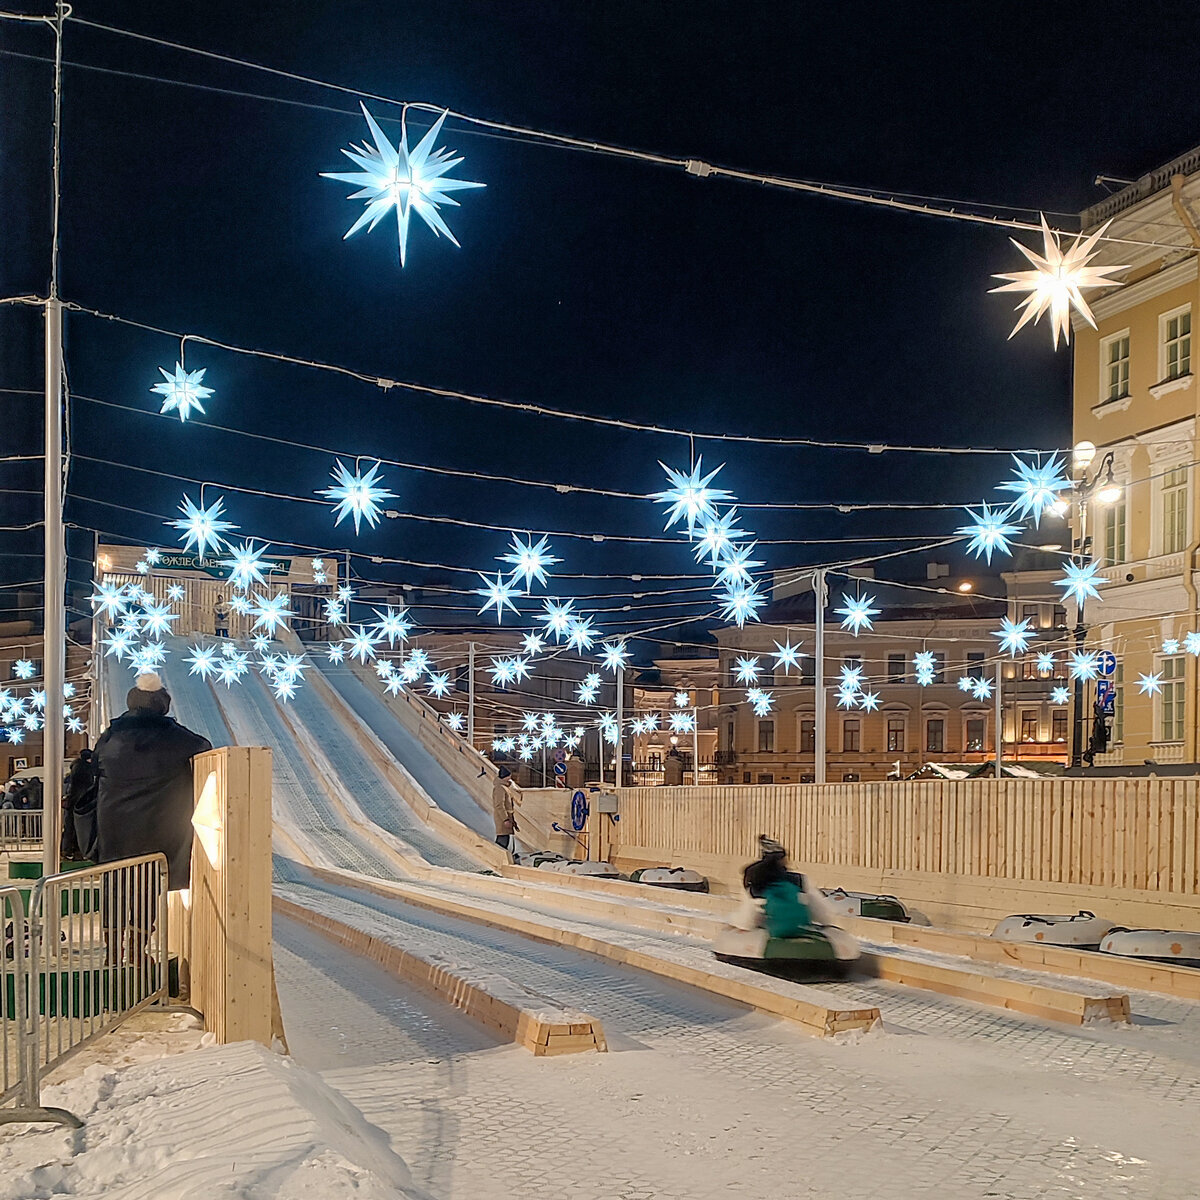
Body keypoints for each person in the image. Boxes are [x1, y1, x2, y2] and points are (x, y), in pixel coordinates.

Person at [62, 748, 95, 860]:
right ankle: (75, 851)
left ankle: (67, 850)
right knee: (77, 828)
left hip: (73, 801)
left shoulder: (76, 768)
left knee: (70, 827)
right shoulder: (85, 769)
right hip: (81, 802)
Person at [492, 766, 520, 856]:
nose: (510, 778)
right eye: (509, 776)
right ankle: (497, 858)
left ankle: (499, 858)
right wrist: (505, 819)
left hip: (507, 818)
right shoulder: (500, 788)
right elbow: (499, 805)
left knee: (505, 839)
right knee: (502, 840)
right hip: (503, 818)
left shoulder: (504, 787)